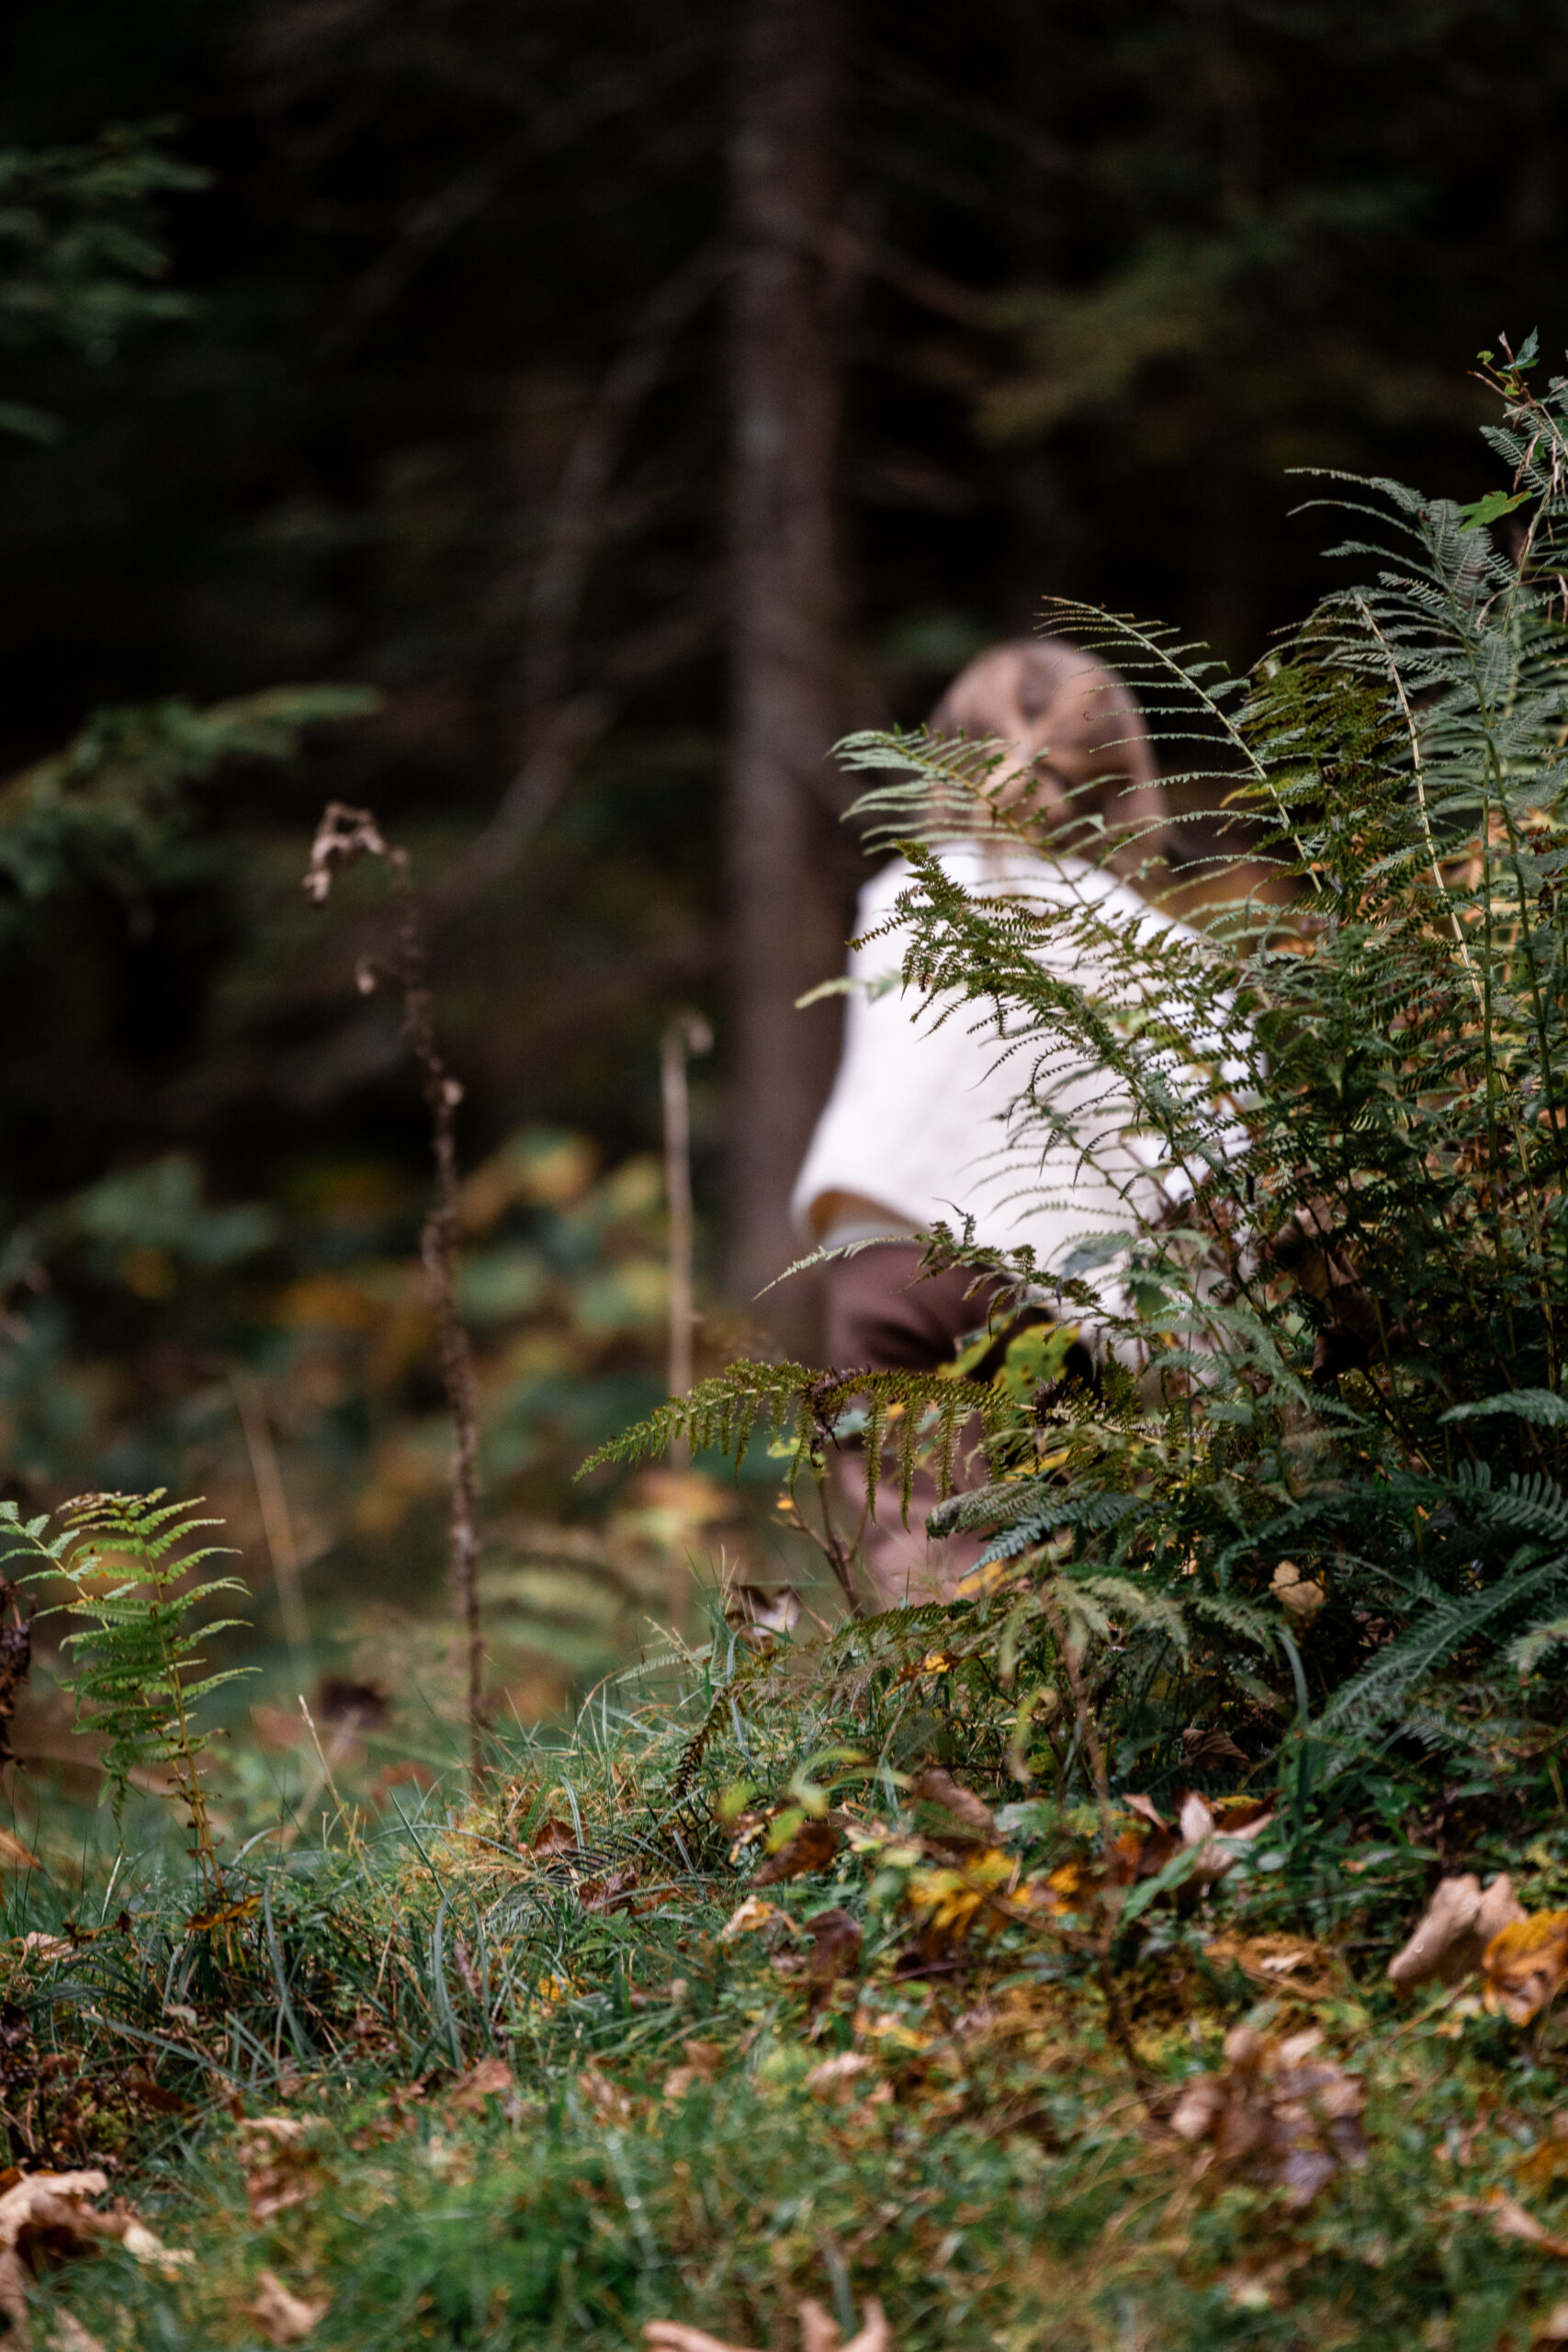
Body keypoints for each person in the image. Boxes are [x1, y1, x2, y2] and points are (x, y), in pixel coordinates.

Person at [789, 634, 1186, 1606]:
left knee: (918, 1531)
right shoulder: (1149, 945)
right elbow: (1213, 1132)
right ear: (1125, 787)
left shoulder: (900, 896)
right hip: (1052, 1284)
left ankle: (938, 1722)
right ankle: (1056, 1728)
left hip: (885, 1263)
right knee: (1062, 1541)